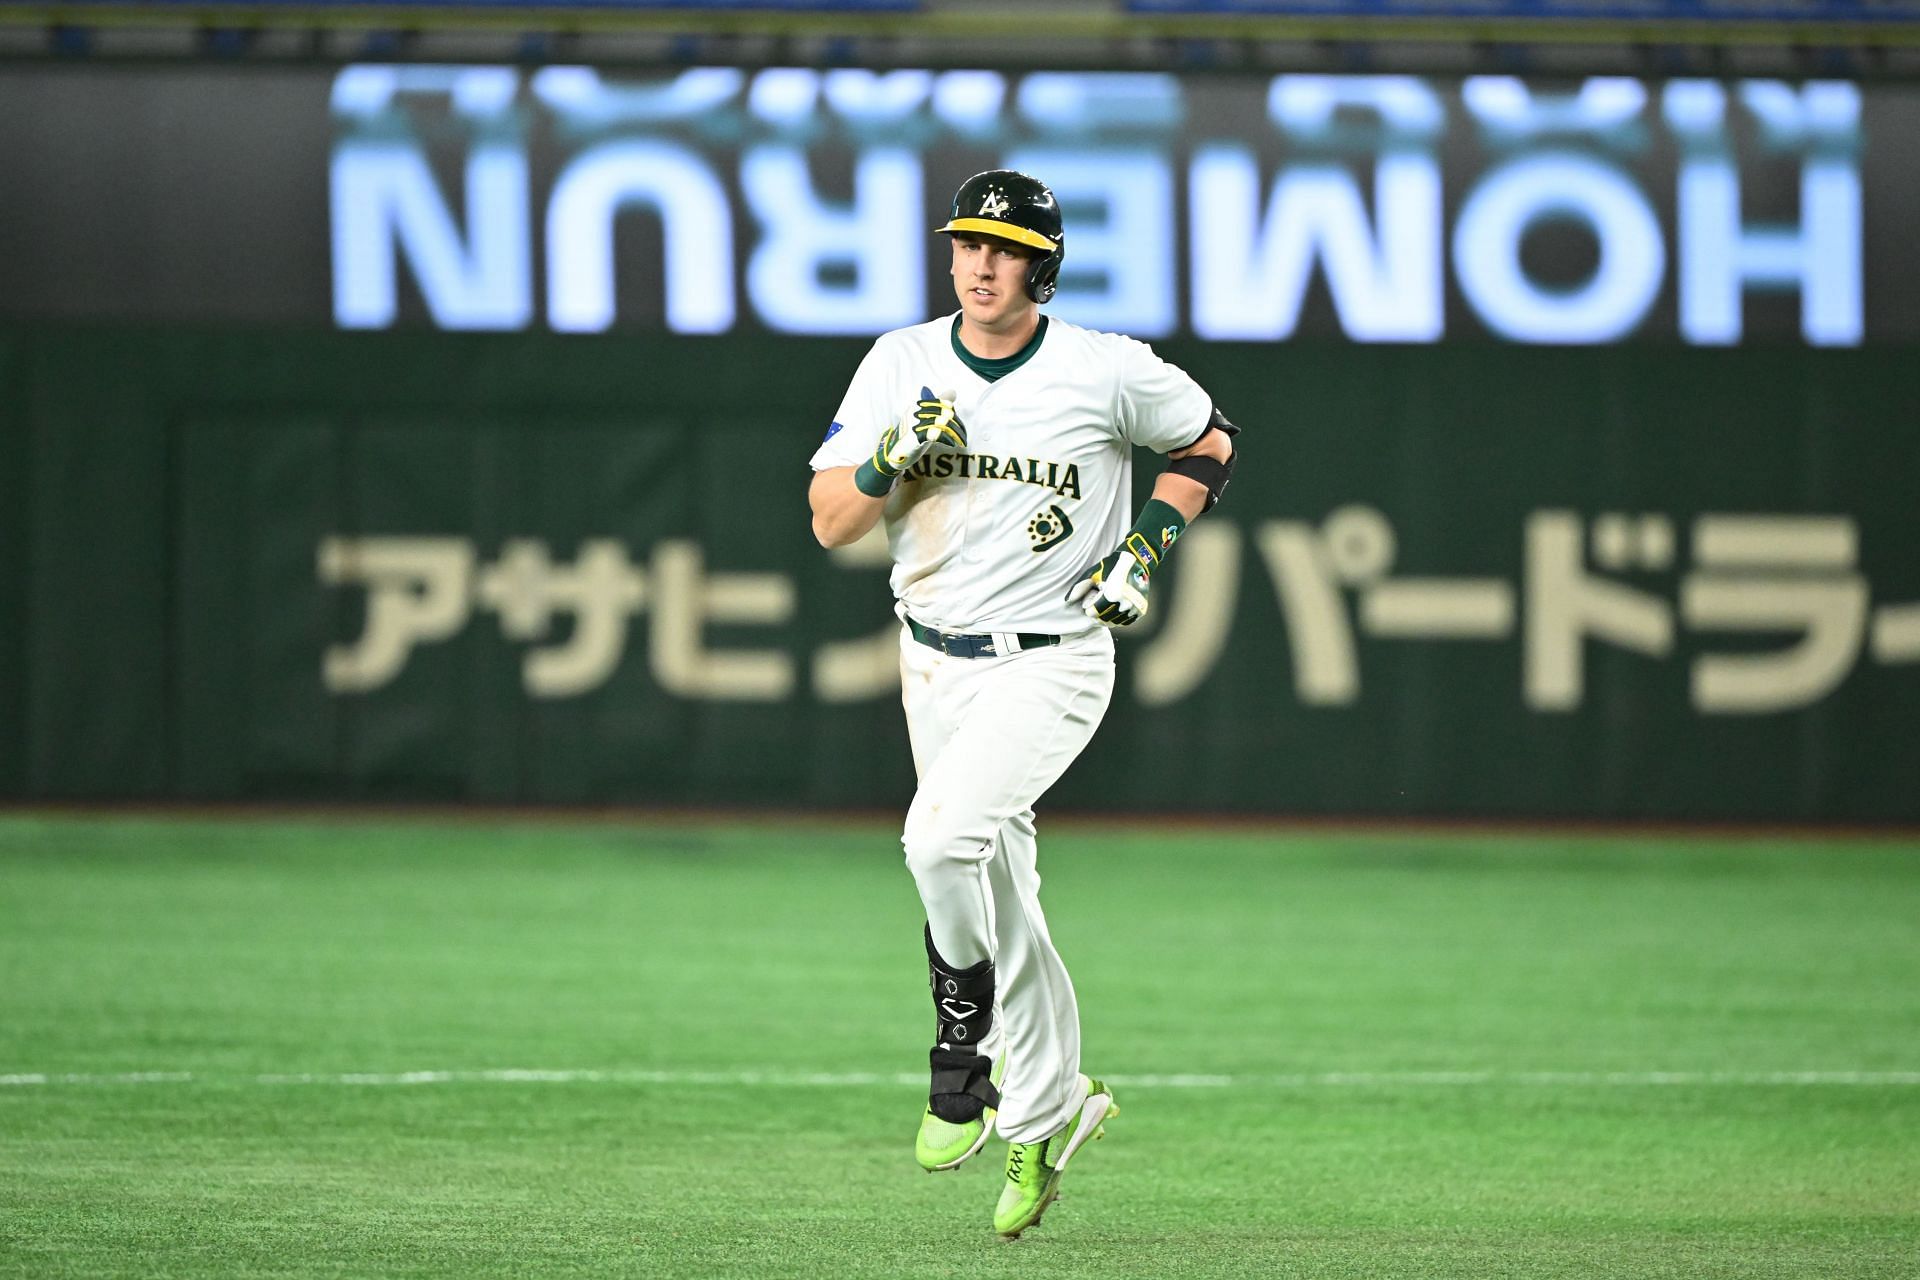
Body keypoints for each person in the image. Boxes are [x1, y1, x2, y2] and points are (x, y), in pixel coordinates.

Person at [806, 169, 1238, 1240]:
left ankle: (962, 1047)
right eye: (968, 245)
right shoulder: (900, 360)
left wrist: (1147, 547)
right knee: (1007, 898)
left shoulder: (1102, 368)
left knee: (940, 840)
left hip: (1053, 656)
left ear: (1041, 266)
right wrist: (885, 462)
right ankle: (1050, 1112)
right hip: (932, 660)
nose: (982, 264)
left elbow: (1209, 440)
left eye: (1004, 249)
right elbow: (827, 521)